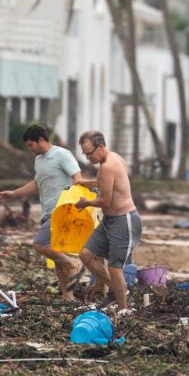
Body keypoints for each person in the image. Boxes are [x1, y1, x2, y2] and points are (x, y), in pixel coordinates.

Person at [0, 124, 91, 302]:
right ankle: (67, 296)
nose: (30, 149)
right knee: (56, 257)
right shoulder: (38, 160)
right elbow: (37, 184)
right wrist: (14, 193)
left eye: (31, 145)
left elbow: (77, 177)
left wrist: (76, 202)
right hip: (46, 212)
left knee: (40, 244)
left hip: (61, 211)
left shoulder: (62, 154)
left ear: (41, 140)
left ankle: (74, 264)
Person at [74, 130, 142, 312]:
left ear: (101, 146)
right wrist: (86, 183)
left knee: (115, 267)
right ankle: (116, 291)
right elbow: (107, 183)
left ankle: (123, 308)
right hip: (109, 221)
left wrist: (85, 203)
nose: (88, 158)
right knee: (86, 254)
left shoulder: (108, 166)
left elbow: (105, 200)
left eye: (90, 153)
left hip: (123, 219)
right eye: (85, 154)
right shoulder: (112, 158)